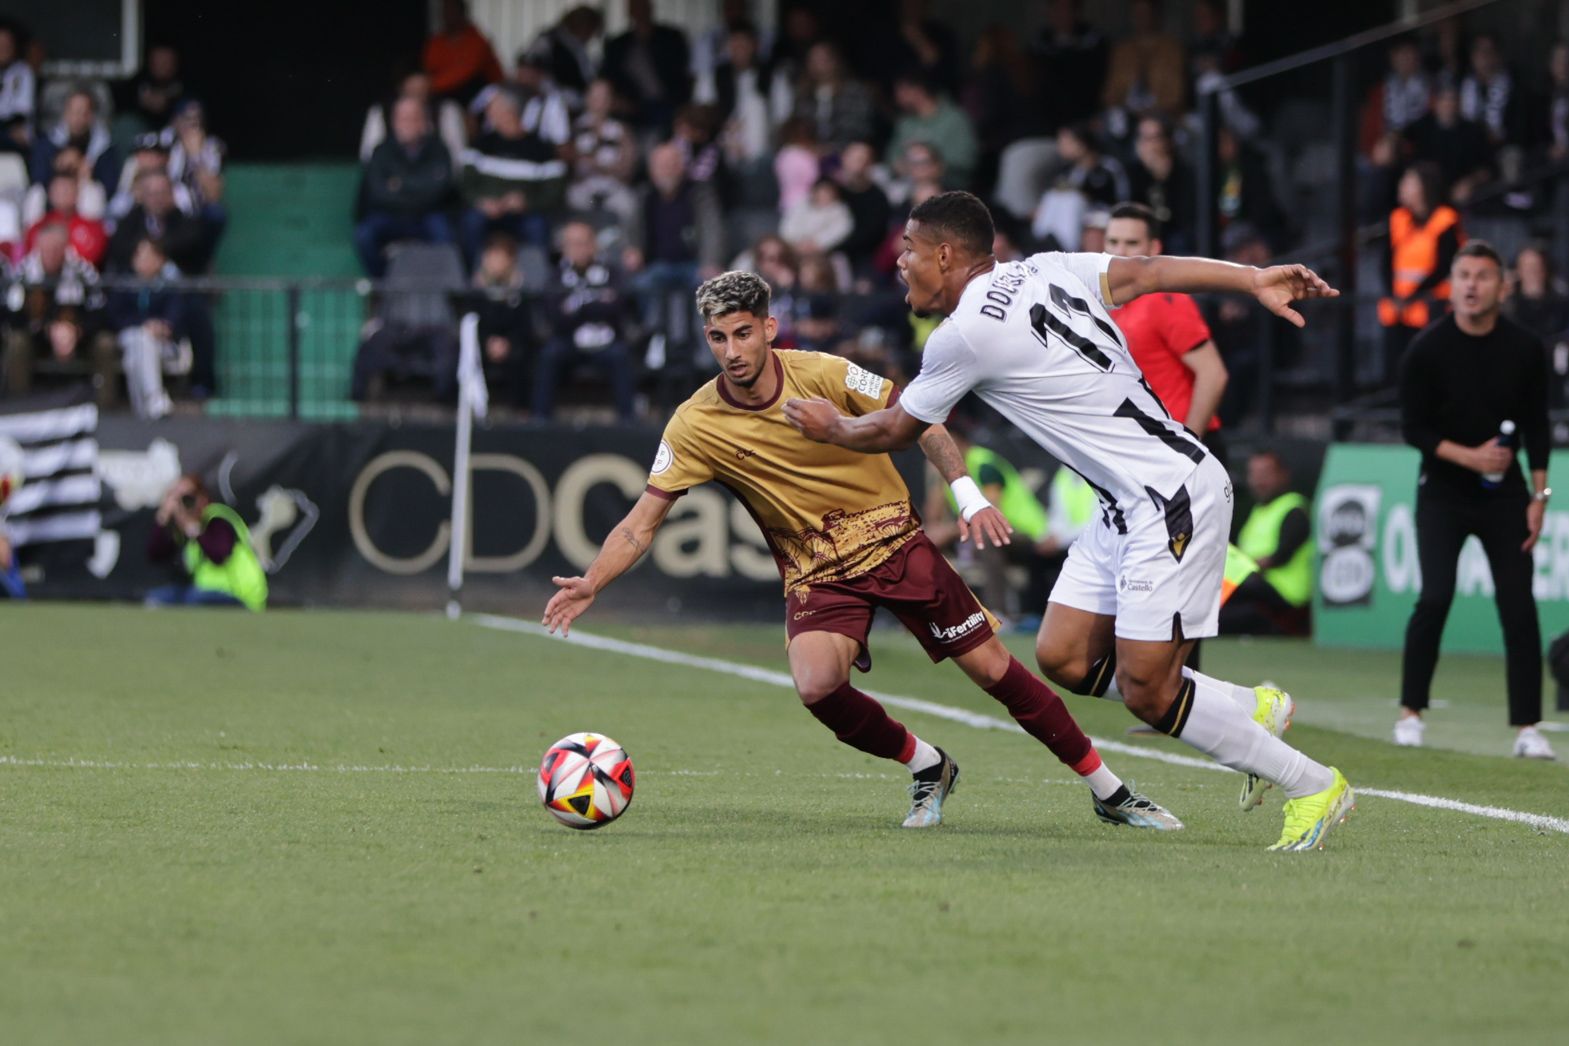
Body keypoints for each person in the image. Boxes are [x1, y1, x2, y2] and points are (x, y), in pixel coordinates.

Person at [782, 190, 1354, 851]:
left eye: (908, 250)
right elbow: (1146, 273)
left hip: (1168, 496)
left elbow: (895, 427)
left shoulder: (962, 335)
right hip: (1124, 502)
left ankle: (1311, 783)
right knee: (1064, 655)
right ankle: (1246, 708)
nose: (900, 263)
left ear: (945, 254)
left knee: (1147, 690)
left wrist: (833, 426)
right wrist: (1250, 277)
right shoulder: (1042, 266)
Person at [544, 269, 1180, 831]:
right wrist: (594, 581)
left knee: (993, 673)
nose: (732, 351)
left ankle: (1110, 791)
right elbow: (641, 522)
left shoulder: (824, 373)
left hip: (897, 545)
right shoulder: (694, 423)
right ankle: (929, 765)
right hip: (816, 571)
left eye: (743, 333)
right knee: (818, 685)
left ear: (769, 328)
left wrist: (965, 493)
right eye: (718, 338)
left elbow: (921, 415)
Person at [1397, 242, 1555, 760]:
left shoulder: (1526, 348)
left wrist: (1540, 494)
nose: (1471, 285)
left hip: (1506, 498)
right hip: (1442, 493)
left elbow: (1538, 425)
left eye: (1483, 276)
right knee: (1435, 597)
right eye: (1463, 275)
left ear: (1502, 286)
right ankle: (1411, 714)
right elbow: (1413, 430)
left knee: (1518, 606)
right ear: (1452, 282)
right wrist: (1470, 458)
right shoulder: (1427, 348)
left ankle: (1528, 728)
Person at [1103, 204, 1228, 446]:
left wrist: (1188, 445)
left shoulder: (1164, 299)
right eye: (1113, 241)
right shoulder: (1102, 302)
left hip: (1180, 448)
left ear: (1154, 248)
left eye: (1131, 243)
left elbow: (1213, 373)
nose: (1120, 251)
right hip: (1139, 447)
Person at [534, 220, 636, 422]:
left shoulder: (612, 273)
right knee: (549, 355)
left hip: (606, 340)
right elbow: (556, 316)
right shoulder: (556, 276)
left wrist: (577, 307)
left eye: (583, 242)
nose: (578, 249)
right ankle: (540, 420)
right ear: (564, 248)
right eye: (572, 244)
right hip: (569, 340)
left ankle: (628, 421)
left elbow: (618, 308)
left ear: (593, 245)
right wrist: (596, 304)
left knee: (621, 356)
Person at [1378, 163, 1462, 387]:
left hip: (1433, 308)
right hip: (1397, 310)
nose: (1402, 187)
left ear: (1424, 187)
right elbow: (1386, 262)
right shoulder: (1398, 219)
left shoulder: (1445, 220)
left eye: (1409, 182)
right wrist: (1394, 295)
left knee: (1428, 369)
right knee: (1396, 368)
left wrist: (1414, 295)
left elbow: (1445, 266)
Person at [459, 87, 568, 259]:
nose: (489, 112)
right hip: (487, 212)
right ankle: (474, 278)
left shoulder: (542, 149)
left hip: (526, 214)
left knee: (537, 226)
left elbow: (555, 192)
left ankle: (537, 281)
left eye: (493, 107)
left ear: (510, 111)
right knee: (471, 222)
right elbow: (464, 184)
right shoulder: (481, 144)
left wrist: (527, 203)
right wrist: (481, 202)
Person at [354, 97, 456, 278]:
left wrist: (400, 185)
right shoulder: (381, 151)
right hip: (390, 216)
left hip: (426, 216)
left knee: (446, 238)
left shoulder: (439, 149)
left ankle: (445, 292)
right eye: (402, 118)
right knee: (365, 235)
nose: (407, 124)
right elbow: (378, 193)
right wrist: (419, 187)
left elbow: (438, 190)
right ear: (393, 121)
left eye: (413, 118)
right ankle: (383, 286)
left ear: (424, 121)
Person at [1219, 451, 1312, 636]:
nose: (1258, 481)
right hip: (1256, 588)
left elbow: (1280, 556)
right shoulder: (1258, 510)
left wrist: (1241, 570)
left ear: (1283, 475)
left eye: (1265, 474)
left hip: (1283, 593)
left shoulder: (1295, 508)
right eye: (1254, 474)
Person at [146, 474, 267, 611]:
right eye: (177, 498)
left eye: (188, 498)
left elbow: (220, 555)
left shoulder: (218, 518)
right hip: (202, 592)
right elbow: (156, 554)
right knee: (157, 598)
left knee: (195, 599)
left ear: (202, 498)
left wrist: (195, 530)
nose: (184, 504)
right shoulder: (183, 526)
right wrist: (163, 518)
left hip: (238, 595)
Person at [601, 0, 693, 134]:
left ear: (650, 9)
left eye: (642, 7)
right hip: (631, 108)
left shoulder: (671, 38)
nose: (639, 12)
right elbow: (608, 76)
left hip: (668, 105)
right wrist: (617, 100)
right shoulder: (618, 44)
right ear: (629, 12)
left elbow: (684, 73)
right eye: (635, 8)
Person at [885, 74, 977, 190]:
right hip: (908, 190)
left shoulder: (955, 119)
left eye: (900, 90)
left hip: (950, 190)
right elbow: (891, 158)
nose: (896, 98)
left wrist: (931, 166)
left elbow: (967, 160)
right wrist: (901, 166)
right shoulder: (905, 123)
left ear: (917, 90)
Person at [31, 87, 120, 189]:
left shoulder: (105, 148)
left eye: (83, 112)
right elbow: (38, 181)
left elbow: (109, 189)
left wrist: (87, 173)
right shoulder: (47, 145)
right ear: (65, 113)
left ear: (91, 115)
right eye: (73, 111)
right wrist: (58, 166)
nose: (77, 118)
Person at [421, 0, 504, 106]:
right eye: (444, 11)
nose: (446, 15)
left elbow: (463, 73)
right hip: (446, 96)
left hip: (480, 97)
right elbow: (429, 68)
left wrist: (431, 86)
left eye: (451, 11)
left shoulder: (476, 41)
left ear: (462, 13)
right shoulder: (437, 41)